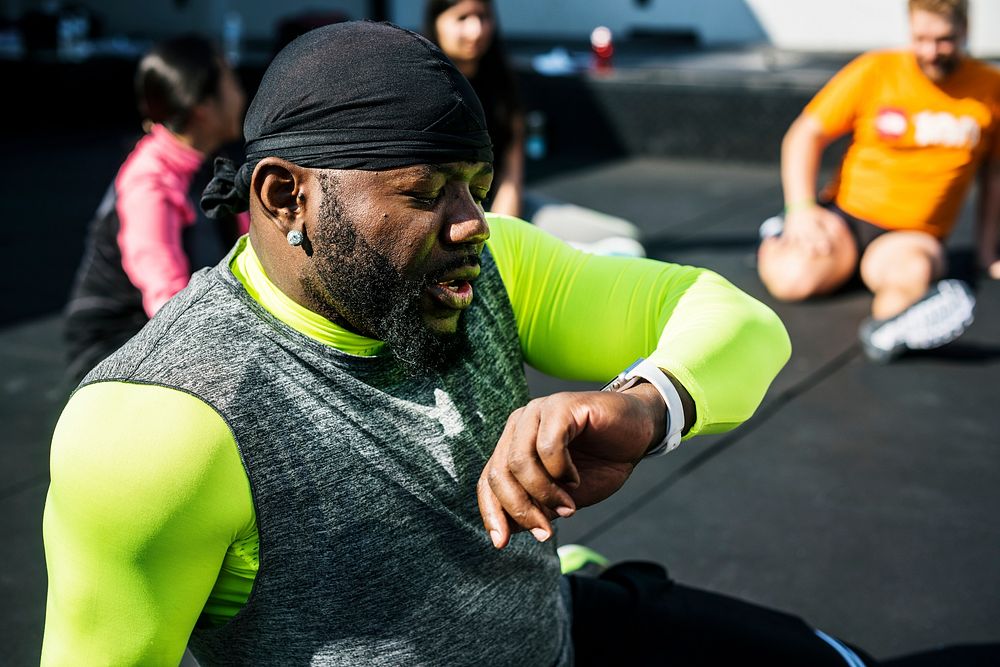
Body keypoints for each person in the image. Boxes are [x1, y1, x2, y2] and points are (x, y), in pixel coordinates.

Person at [44, 21, 898, 666]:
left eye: (478, 188)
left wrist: (646, 406)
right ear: (284, 196)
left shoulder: (491, 266)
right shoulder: (160, 429)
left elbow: (740, 322)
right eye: (426, 193)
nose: (472, 224)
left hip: (554, 626)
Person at [756, 0, 1000, 362]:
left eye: (944, 40)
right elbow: (804, 135)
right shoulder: (876, 70)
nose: (931, 51)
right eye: (921, 38)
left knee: (910, 276)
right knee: (791, 280)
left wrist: (986, 254)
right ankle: (779, 232)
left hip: (910, 237)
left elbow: (994, 177)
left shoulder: (990, 88)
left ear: (965, 29)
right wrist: (800, 208)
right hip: (846, 218)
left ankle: (887, 331)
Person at [63, 35, 248, 383]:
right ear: (202, 107)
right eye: (230, 81)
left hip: (168, 330)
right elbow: (169, 308)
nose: (241, 95)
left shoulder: (201, 164)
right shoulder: (149, 184)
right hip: (117, 349)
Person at [424, 0, 646, 256]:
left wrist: (505, 233)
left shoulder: (504, 84)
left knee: (625, 238)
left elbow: (511, 175)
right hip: (455, 217)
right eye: (462, 18)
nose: (476, 30)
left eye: (483, 17)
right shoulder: (427, 88)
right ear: (437, 23)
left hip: (507, 208)